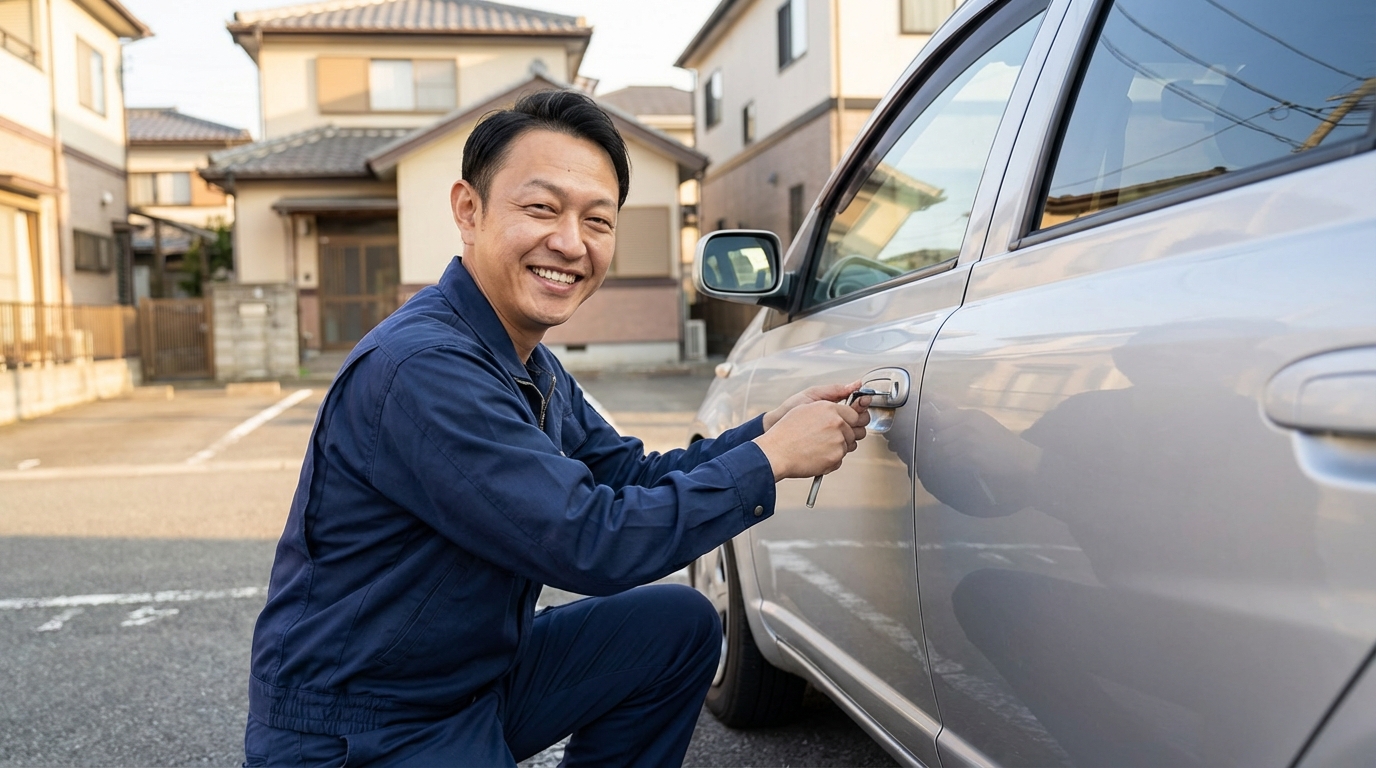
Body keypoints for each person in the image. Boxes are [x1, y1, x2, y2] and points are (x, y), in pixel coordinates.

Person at [243, 89, 870, 767]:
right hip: (362, 724)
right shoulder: (425, 368)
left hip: (471, 681)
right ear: (469, 210)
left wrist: (761, 433)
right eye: (541, 208)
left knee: (678, 626)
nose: (570, 243)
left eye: (597, 220)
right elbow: (587, 542)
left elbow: (624, 475)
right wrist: (770, 462)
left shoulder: (525, 359)